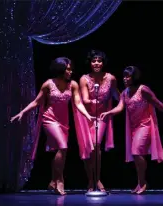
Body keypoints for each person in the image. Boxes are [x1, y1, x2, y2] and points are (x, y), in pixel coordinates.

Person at [10, 57, 95, 195]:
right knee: (63, 147)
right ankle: (60, 181)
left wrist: (87, 115)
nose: (70, 71)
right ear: (60, 69)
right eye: (68, 69)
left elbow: (78, 103)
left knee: (60, 151)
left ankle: (53, 180)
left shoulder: (73, 84)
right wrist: (22, 112)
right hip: (49, 119)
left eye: (71, 69)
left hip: (64, 122)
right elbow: (37, 102)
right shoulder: (48, 84)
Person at [100, 66, 163, 194]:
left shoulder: (143, 90)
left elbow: (158, 104)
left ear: (134, 77)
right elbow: (120, 107)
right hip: (133, 127)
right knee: (137, 154)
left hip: (145, 125)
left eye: (128, 76)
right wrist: (109, 112)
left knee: (137, 152)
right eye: (124, 76)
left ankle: (142, 183)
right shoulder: (125, 92)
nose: (125, 79)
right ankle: (141, 182)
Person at [74, 50, 119, 192]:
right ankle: (91, 180)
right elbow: (86, 99)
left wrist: (127, 102)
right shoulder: (84, 79)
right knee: (88, 149)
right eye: (94, 61)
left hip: (102, 117)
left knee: (96, 145)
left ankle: (98, 179)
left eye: (99, 60)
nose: (96, 63)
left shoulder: (111, 78)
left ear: (103, 62)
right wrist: (98, 97)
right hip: (86, 116)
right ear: (90, 63)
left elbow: (117, 95)